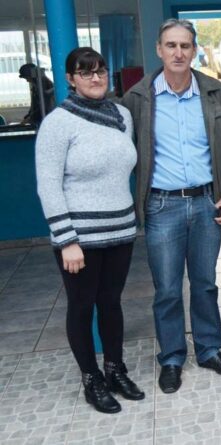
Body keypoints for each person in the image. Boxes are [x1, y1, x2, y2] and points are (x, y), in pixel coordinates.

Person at [122, 19, 221, 394]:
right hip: (162, 206)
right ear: (158, 50)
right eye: (171, 46)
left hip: (207, 202)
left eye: (185, 46)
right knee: (168, 290)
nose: (178, 53)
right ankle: (172, 358)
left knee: (205, 284)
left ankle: (209, 350)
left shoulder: (216, 93)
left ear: (195, 51)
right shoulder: (138, 99)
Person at [35, 47, 144, 414]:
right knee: (82, 307)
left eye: (100, 71)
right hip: (79, 239)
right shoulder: (58, 122)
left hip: (120, 231)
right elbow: (48, 186)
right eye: (86, 73)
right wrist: (67, 240)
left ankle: (114, 369)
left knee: (111, 303)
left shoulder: (122, 115)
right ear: (70, 79)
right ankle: (91, 379)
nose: (95, 78)